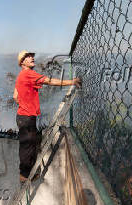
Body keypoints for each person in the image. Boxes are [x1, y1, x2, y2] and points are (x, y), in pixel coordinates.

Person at [13, 50, 81, 183]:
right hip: (27, 117)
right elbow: (49, 81)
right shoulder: (28, 74)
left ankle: (30, 173)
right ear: (22, 62)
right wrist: (71, 82)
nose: (32, 57)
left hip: (25, 116)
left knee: (34, 141)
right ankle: (24, 175)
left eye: (32, 55)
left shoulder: (21, 75)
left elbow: (15, 96)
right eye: (28, 57)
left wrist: (25, 104)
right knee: (27, 146)